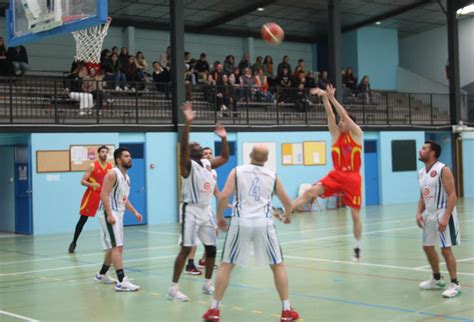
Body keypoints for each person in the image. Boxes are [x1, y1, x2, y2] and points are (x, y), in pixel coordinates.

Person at [202, 144, 300, 322]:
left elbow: (224, 196)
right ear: (266, 159)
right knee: (277, 265)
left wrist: (219, 217)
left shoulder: (238, 171)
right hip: (265, 224)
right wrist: (287, 216)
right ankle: (286, 310)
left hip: (241, 222)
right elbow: (287, 201)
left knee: (227, 265)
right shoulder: (273, 176)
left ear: (250, 155)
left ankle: (214, 309)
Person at [293, 85, 363, 262]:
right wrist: (324, 98)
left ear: (349, 123)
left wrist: (332, 97)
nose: (340, 123)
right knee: (310, 191)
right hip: (336, 174)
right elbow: (330, 115)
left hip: (353, 177)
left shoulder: (356, 134)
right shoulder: (335, 135)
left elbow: (343, 114)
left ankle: (357, 246)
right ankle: (288, 211)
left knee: (354, 215)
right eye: (339, 122)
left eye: (343, 121)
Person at [168, 102, 229, 302]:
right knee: (186, 249)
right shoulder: (186, 166)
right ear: (190, 151)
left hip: (206, 211)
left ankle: (207, 283)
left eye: (198, 145)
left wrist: (224, 138)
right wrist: (187, 123)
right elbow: (184, 145)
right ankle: (174, 287)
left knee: (211, 248)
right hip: (190, 210)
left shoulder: (206, 163)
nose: (197, 146)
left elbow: (225, 157)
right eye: (194, 145)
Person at [416, 140, 461, 298]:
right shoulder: (421, 173)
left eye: (424, 148)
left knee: (445, 249)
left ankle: (455, 284)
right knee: (427, 247)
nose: (420, 151)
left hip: (443, 212)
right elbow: (423, 195)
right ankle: (436, 279)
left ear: (432, 152)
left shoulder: (443, 169)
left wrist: (446, 216)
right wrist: (418, 213)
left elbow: (452, 195)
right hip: (429, 214)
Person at [95, 147, 143, 291]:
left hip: (118, 212)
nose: (130, 158)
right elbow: (104, 194)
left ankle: (102, 274)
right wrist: (109, 214)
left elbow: (124, 198)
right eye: (126, 156)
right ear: (118, 160)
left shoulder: (126, 177)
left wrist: (134, 212)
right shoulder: (112, 174)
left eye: (130, 156)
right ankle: (122, 281)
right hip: (109, 212)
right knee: (117, 247)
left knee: (113, 247)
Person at [68, 146, 112, 253]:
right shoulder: (92, 165)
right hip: (92, 195)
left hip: (104, 195)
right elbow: (82, 181)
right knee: (83, 219)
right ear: (98, 153)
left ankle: (108, 245)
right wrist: (92, 184)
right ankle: (74, 242)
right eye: (102, 152)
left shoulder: (110, 166)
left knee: (107, 219)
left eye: (106, 152)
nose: (104, 154)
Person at [185, 147, 221, 275]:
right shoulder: (195, 169)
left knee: (214, 233)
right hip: (194, 207)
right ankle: (190, 264)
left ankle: (204, 260)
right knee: (193, 237)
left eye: (210, 153)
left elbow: (216, 191)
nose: (208, 155)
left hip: (207, 207)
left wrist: (227, 203)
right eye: (205, 153)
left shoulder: (213, 171)